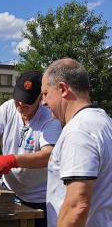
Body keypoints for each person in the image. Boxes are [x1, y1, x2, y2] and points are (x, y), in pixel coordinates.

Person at [42, 58, 112, 227]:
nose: (43, 102)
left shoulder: (79, 131)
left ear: (62, 89)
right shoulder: (103, 122)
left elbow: (77, 205)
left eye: (45, 93)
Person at [0, 70, 62, 227]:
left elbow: (47, 156)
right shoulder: (8, 108)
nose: (20, 105)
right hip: (9, 191)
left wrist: (13, 160)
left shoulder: (50, 118)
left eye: (26, 102)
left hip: (39, 197)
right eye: (18, 100)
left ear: (40, 98)